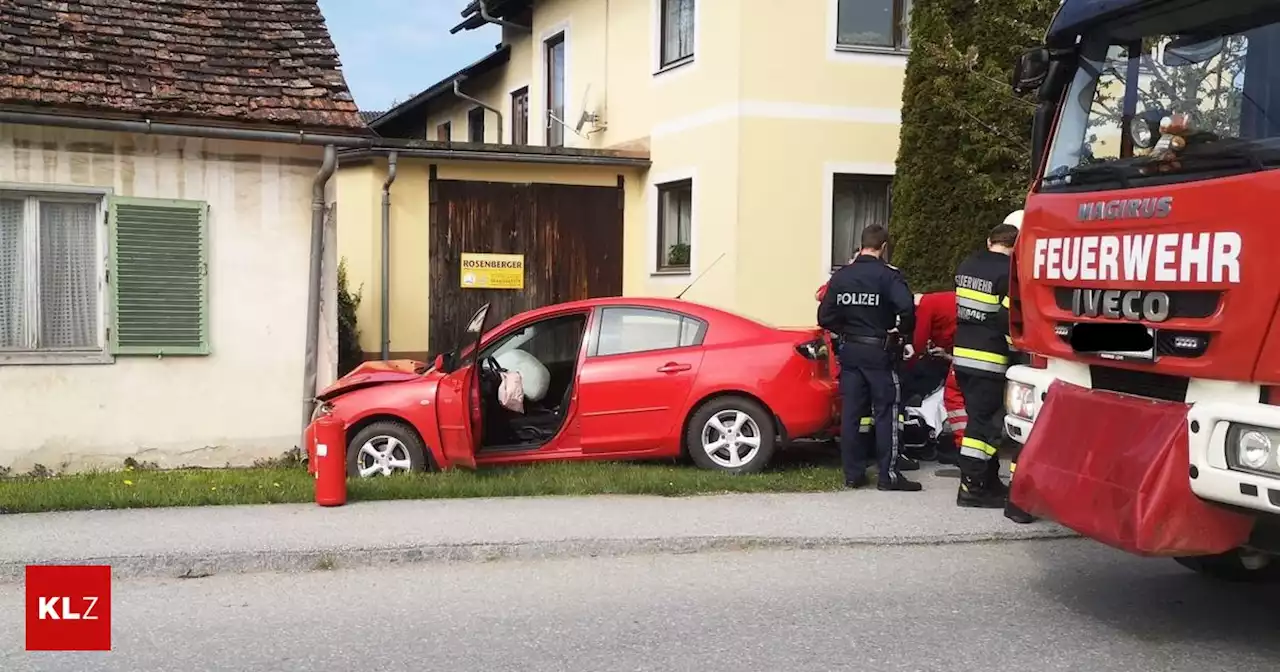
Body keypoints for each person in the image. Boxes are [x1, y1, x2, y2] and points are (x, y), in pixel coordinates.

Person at [818, 224, 921, 492]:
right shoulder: (888, 277)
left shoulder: (841, 277)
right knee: (887, 412)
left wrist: (846, 330)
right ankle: (888, 476)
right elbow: (907, 308)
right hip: (880, 353)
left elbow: (824, 317)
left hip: (850, 352)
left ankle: (853, 475)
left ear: (861, 244)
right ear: (884, 247)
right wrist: (903, 332)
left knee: (851, 414)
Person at [952, 219, 1032, 522]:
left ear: (989, 241)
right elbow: (1007, 319)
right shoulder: (1008, 272)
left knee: (977, 417)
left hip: (962, 354)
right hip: (990, 357)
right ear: (1014, 247)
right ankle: (971, 486)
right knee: (984, 425)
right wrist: (1019, 348)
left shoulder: (967, 264)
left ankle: (986, 481)